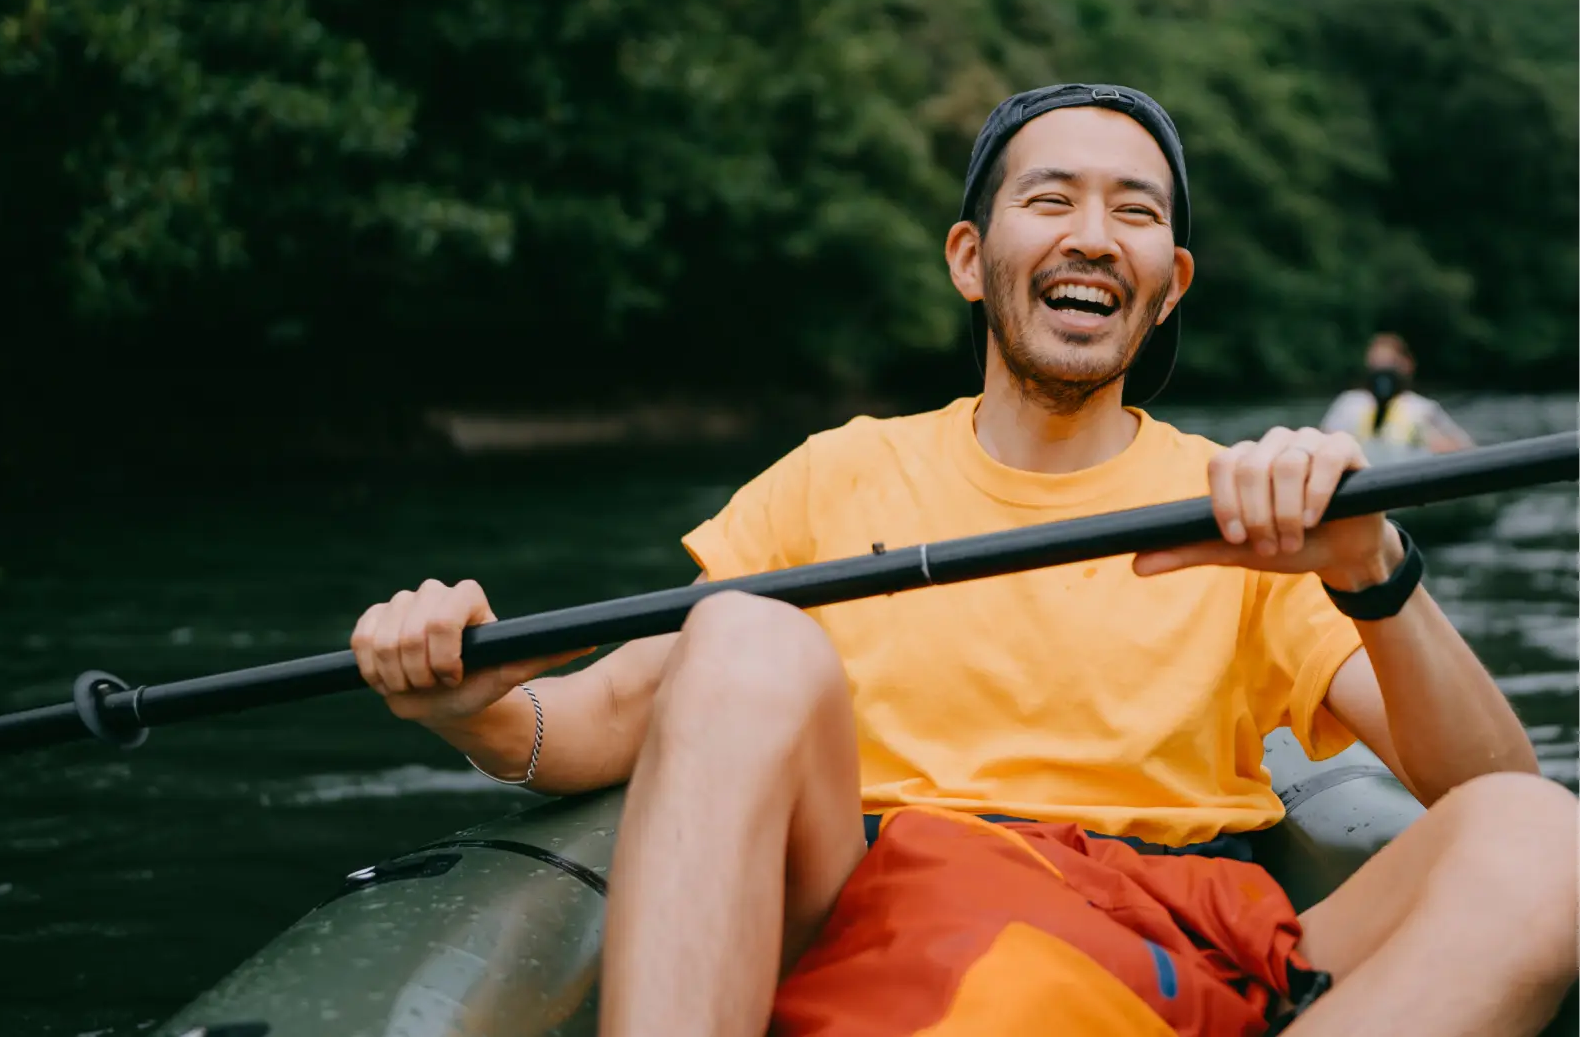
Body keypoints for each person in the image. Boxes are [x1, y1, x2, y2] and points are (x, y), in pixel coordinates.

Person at [346, 84, 1576, 1036]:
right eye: (1051, 200)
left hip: (1178, 915)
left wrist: (1369, 562)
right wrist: (476, 709)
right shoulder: (836, 472)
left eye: (1136, 213)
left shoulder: (1250, 506)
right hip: (888, 897)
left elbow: (1486, 786)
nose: (1094, 236)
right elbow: (608, 707)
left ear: (1169, 287)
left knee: (1549, 837)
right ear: (966, 257)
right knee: (749, 629)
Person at [1319, 333, 1475, 454]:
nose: (1383, 371)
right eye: (1377, 364)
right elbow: (1323, 443)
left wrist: (1432, 443)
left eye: (1390, 363)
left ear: (1407, 365)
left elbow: (1466, 450)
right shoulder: (1349, 403)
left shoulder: (1424, 408)